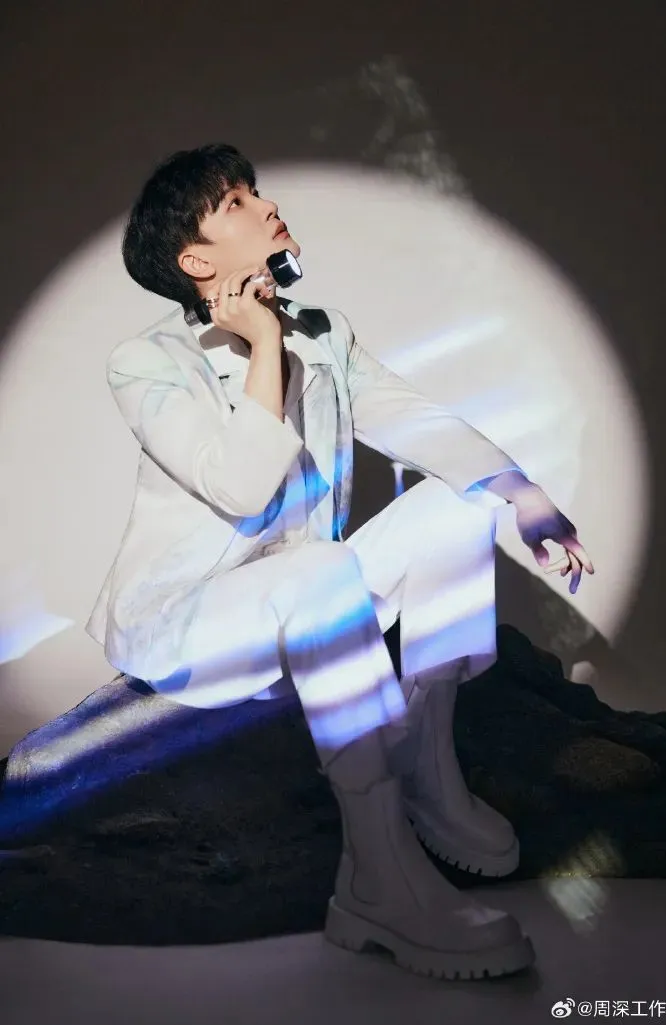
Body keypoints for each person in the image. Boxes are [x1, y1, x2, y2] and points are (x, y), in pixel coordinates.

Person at [86, 143, 594, 980]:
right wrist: (260, 344)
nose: (265, 203)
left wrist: (519, 490)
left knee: (455, 504)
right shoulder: (146, 363)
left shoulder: (323, 332)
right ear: (195, 260)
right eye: (236, 202)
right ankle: (379, 877)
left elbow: (411, 417)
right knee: (319, 573)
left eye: (255, 189)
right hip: (193, 623)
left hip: (309, 594)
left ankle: (427, 763)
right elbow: (240, 484)